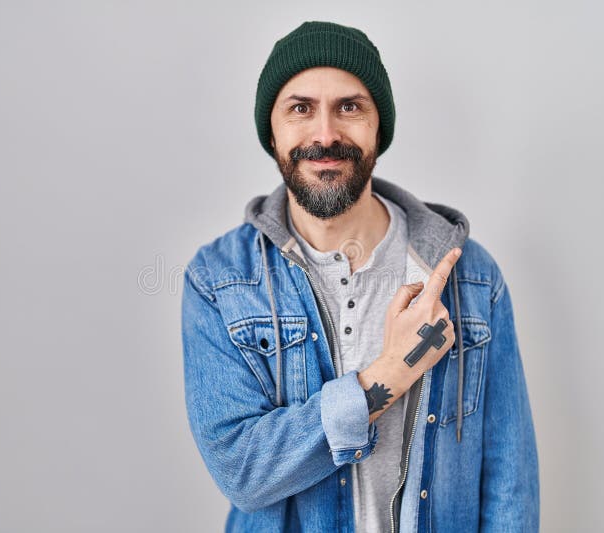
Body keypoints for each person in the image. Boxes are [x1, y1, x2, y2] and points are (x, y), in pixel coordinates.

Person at [181, 20, 539, 533]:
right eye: (301, 108)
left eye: (349, 107)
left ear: (378, 127)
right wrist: (392, 371)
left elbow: (509, 480)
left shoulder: (470, 277)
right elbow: (244, 470)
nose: (325, 134)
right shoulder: (219, 280)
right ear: (273, 130)